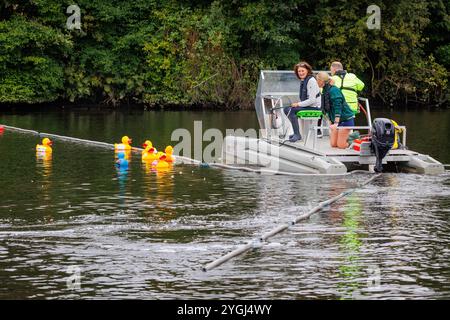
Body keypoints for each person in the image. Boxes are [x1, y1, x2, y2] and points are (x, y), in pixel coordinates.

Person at [283, 61, 321, 142]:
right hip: (309, 106)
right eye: (299, 71)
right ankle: (296, 132)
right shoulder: (304, 80)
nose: (300, 73)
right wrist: (298, 104)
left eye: (302, 71)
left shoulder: (311, 80)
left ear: (307, 70)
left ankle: (297, 134)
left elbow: (312, 100)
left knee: (291, 110)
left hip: (315, 107)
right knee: (286, 109)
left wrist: (298, 104)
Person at [316, 71, 354, 149]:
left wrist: (336, 123)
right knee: (333, 144)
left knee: (341, 145)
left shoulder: (334, 90)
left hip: (345, 120)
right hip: (335, 121)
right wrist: (331, 120)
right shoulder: (325, 90)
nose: (316, 82)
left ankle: (354, 138)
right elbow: (328, 108)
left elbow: (338, 107)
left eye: (317, 80)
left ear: (321, 81)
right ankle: (345, 138)